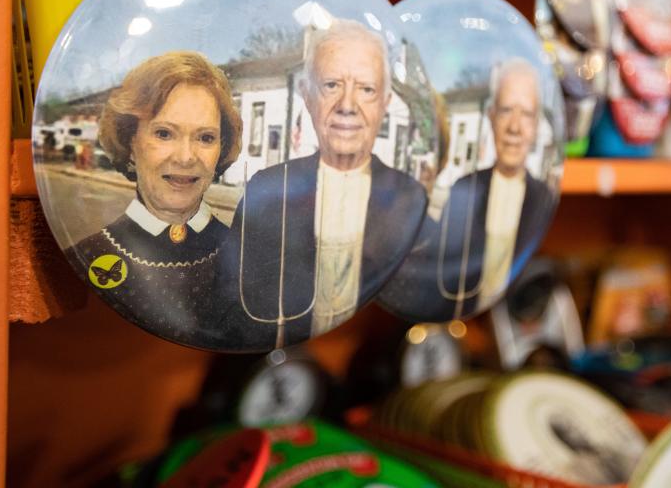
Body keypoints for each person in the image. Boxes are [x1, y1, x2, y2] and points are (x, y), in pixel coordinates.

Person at [218, 19, 427, 349]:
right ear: (307, 95)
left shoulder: (410, 198)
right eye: (331, 85)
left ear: (385, 103)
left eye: (366, 89)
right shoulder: (267, 189)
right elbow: (232, 299)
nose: (347, 105)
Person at [67, 51, 243, 349]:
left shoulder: (250, 257)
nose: (186, 157)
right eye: (164, 133)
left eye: (205, 138)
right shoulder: (82, 258)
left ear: (221, 149)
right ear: (130, 142)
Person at [381, 59, 555, 322]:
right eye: (506, 110)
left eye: (527, 114)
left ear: (536, 126)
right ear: (492, 118)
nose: (515, 128)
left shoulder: (544, 198)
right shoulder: (461, 189)